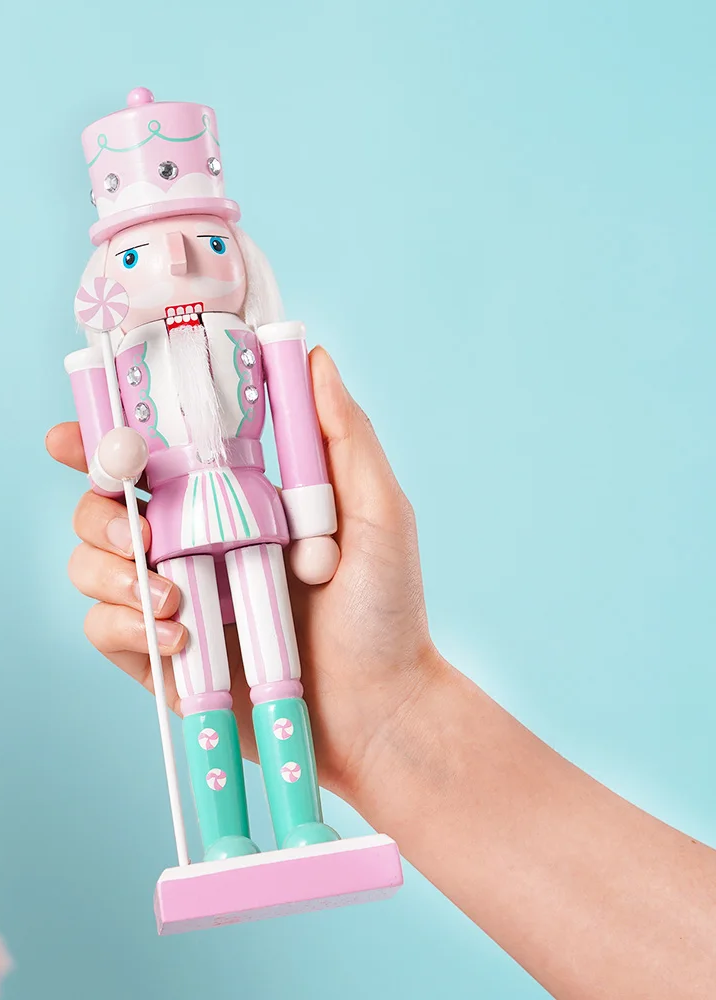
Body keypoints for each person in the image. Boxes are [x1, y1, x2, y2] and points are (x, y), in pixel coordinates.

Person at [46, 346, 716, 1000]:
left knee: (276, 675)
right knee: (204, 690)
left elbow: (293, 427)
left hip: (252, 511)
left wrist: (313, 525)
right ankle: (224, 840)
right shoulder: (115, 349)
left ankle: (300, 823)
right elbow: (108, 466)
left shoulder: (249, 340)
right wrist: (112, 467)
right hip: (175, 523)